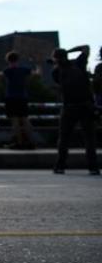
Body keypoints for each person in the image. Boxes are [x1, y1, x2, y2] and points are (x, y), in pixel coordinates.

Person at [50, 46, 98, 175]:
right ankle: (93, 167)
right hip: (86, 106)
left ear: (55, 59)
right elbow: (86, 47)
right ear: (66, 56)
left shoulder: (55, 71)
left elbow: (59, 85)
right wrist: (69, 51)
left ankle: (60, 165)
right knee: (89, 138)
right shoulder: (79, 63)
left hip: (69, 107)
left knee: (64, 138)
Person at [0, 52, 37, 150]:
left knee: (15, 121)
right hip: (23, 97)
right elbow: (37, 74)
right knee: (25, 119)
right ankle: (31, 142)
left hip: (11, 98)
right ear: (18, 60)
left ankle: (20, 143)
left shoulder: (8, 70)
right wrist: (37, 63)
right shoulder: (24, 70)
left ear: (8, 60)